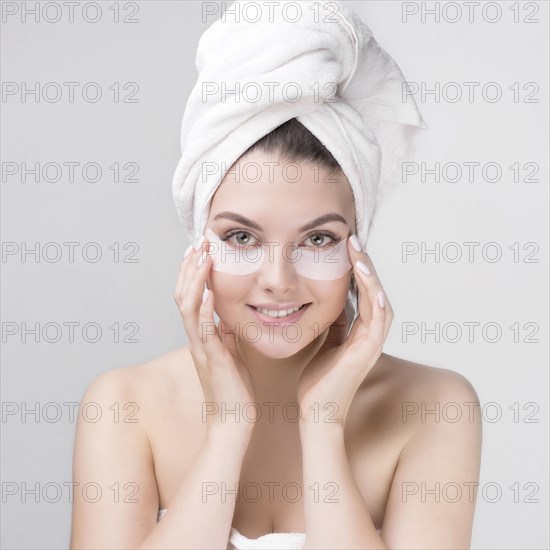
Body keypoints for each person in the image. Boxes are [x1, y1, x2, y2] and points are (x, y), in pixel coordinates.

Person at [69, 119, 482, 550]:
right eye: (242, 237)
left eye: (319, 239)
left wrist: (322, 425)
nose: (278, 280)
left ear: (357, 252)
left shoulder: (436, 405)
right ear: (198, 249)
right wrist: (227, 431)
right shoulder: (122, 405)